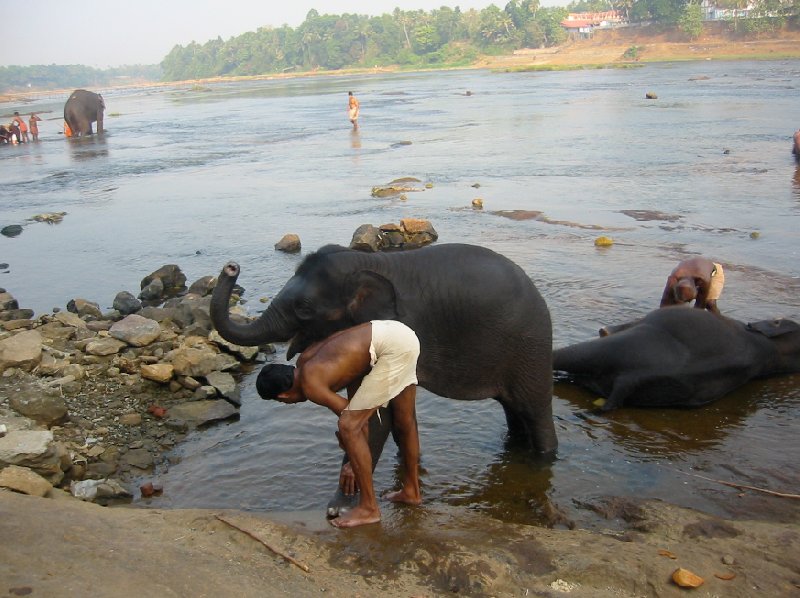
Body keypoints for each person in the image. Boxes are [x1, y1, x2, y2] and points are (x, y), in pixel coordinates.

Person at [256, 320, 421, 528]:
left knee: (348, 427)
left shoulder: (310, 385)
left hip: (391, 349)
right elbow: (354, 396)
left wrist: (353, 463)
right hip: (397, 333)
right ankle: (412, 491)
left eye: (281, 401)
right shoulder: (306, 361)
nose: (287, 403)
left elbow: (354, 422)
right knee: (404, 420)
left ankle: (369, 508)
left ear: (284, 395)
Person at [660, 256, 724, 314]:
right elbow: (664, 303)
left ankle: (721, 323)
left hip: (713, 272)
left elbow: (700, 307)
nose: (688, 303)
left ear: (697, 289)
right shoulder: (673, 278)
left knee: (709, 303)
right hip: (693, 269)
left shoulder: (703, 280)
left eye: (689, 301)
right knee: (677, 304)